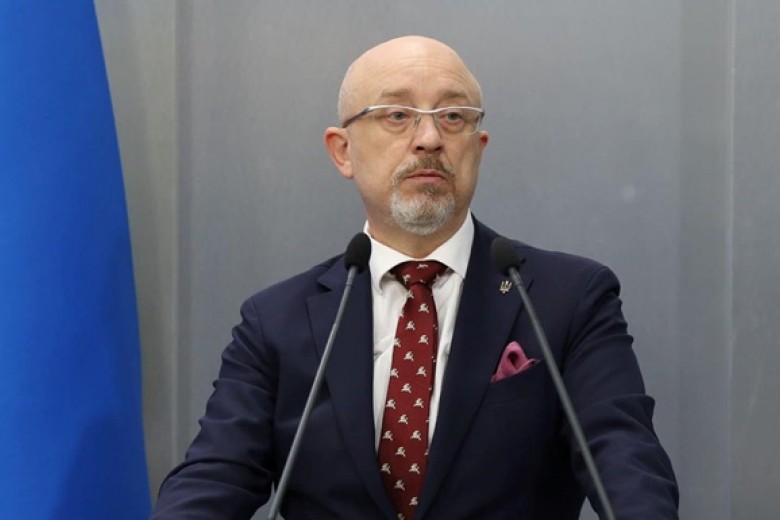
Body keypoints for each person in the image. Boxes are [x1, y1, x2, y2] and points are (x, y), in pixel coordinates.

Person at [152, 36, 679, 519]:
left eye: (452, 116)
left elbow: (624, 461)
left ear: (479, 147)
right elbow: (214, 479)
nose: (429, 138)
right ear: (342, 151)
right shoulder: (275, 322)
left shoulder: (567, 299)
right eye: (397, 115)